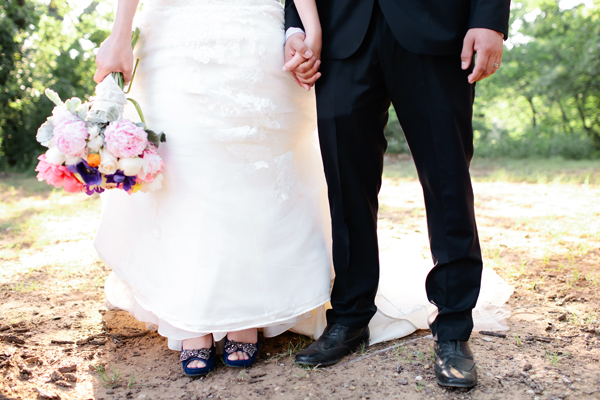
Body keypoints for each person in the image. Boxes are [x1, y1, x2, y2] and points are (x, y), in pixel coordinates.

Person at [93, 0, 330, 376]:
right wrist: (119, 35)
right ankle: (190, 311)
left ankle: (245, 305)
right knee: (183, 161)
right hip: (175, 28)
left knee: (251, 159)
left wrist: (312, 30)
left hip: (254, 26)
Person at [283, 0, 511, 388]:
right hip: (340, 34)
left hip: (435, 25)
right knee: (344, 183)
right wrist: (295, 27)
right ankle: (350, 318)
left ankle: (453, 328)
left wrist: (489, 20)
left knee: (447, 181)